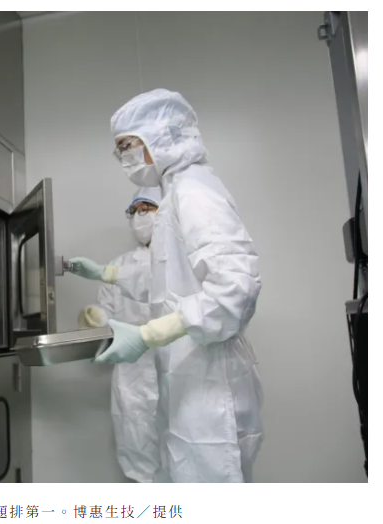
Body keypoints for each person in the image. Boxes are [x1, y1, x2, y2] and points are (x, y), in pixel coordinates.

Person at [68, 88, 263, 483]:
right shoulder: (177, 194)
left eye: (127, 146)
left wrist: (150, 333)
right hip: (192, 381)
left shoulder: (194, 192)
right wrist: (108, 275)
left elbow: (235, 288)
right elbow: (167, 277)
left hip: (211, 389)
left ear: (160, 135)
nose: (123, 158)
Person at [77, 186, 163, 483]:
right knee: (137, 445)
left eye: (146, 209)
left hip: (180, 369)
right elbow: (108, 314)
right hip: (133, 373)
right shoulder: (119, 265)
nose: (139, 217)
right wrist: (96, 318)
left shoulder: (187, 261)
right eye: (134, 211)